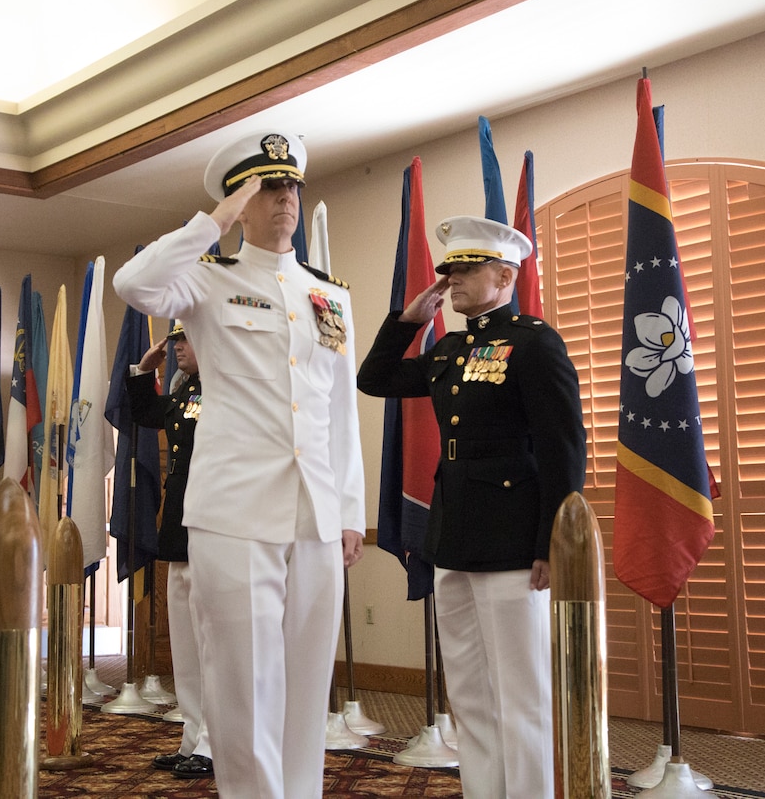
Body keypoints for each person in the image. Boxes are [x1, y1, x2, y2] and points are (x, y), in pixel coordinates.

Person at [114, 129, 366, 799]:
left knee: (306, 686)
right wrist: (213, 221)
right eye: (266, 187)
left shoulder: (328, 297)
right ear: (242, 202)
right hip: (233, 512)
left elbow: (337, 410)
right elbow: (133, 282)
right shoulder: (204, 279)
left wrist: (349, 511)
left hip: (314, 513)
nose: (283, 199)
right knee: (245, 684)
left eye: (290, 186)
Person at [357, 215, 586, 799]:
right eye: (449, 269)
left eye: (465, 268)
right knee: (470, 693)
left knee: (522, 693)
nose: (452, 278)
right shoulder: (450, 349)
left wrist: (551, 546)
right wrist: (408, 321)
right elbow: (374, 378)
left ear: (505, 275)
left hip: (514, 542)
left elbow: (563, 449)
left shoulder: (534, 343)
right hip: (453, 536)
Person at [126, 323, 213, 779]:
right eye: (175, 339)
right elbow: (146, 412)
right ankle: (192, 738)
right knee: (185, 642)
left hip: (213, 524)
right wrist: (143, 370)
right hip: (179, 523)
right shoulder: (187, 391)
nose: (177, 346)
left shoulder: (228, 387)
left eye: (187, 338)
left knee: (212, 643)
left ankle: (217, 743)